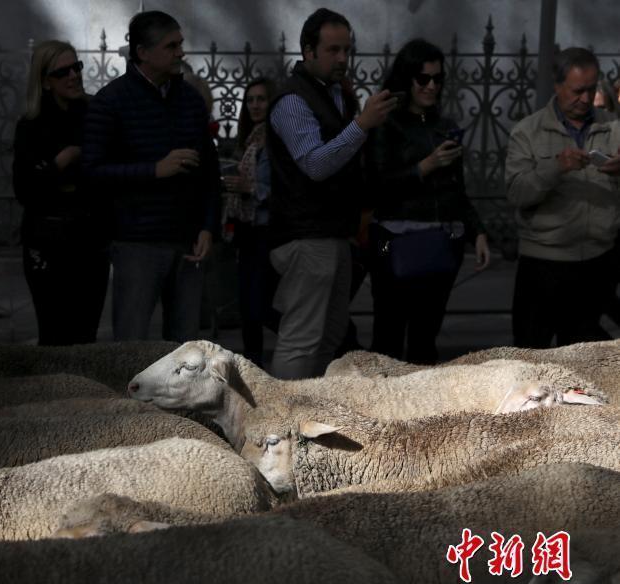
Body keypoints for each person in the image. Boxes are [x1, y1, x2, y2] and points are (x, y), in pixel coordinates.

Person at [265, 7, 396, 378]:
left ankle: (309, 411)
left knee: (330, 335)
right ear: (308, 51)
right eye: (333, 50)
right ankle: (281, 422)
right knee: (302, 339)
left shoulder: (334, 93)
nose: (342, 59)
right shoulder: (292, 100)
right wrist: (361, 123)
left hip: (334, 233)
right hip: (305, 235)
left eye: (346, 50)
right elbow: (316, 165)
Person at [83, 10, 221, 342]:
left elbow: (209, 172)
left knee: (186, 347)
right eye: (171, 46)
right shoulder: (111, 101)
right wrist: (154, 170)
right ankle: (127, 396)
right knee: (132, 342)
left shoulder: (189, 100)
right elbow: (93, 172)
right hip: (137, 244)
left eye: (180, 44)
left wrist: (208, 226)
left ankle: (183, 398)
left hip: (187, 240)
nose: (180, 53)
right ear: (143, 52)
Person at [366, 38, 491, 364]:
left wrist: (477, 231)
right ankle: (382, 408)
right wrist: (426, 166)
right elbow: (376, 187)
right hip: (391, 241)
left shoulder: (445, 126)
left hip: (439, 240)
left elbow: (457, 189)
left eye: (438, 79)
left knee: (425, 337)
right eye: (423, 78)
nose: (431, 86)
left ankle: (422, 410)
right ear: (407, 78)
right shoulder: (386, 123)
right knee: (388, 336)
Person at [506, 47, 620, 348]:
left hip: (597, 262)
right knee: (533, 355)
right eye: (578, 90)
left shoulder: (613, 127)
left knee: (583, 357)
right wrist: (556, 167)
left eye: (592, 89)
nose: (586, 98)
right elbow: (517, 193)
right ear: (557, 86)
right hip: (544, 264)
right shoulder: (528, 132)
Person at [12, 41, 109, 345]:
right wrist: (62, 161)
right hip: (47, 242)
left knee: (85, 334)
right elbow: (26, 190)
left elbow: (102, 176)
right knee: (54, 333)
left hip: (90, 239)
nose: (73, 76)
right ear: (44, 81)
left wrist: (53, 175)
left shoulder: (95, 115)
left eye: (76, 67)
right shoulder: (31, 125)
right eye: (62, 71)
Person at [222, 77, 278, 366]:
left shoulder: (275, 140)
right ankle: (252, 363)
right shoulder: (248, 139)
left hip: (267, 230)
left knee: (260, 305)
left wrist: (251, 189)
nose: (255, 105)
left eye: (261, 99)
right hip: (246, 229)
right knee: (247, 306)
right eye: (251, 100)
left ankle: (318, 342)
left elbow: (283, 189)